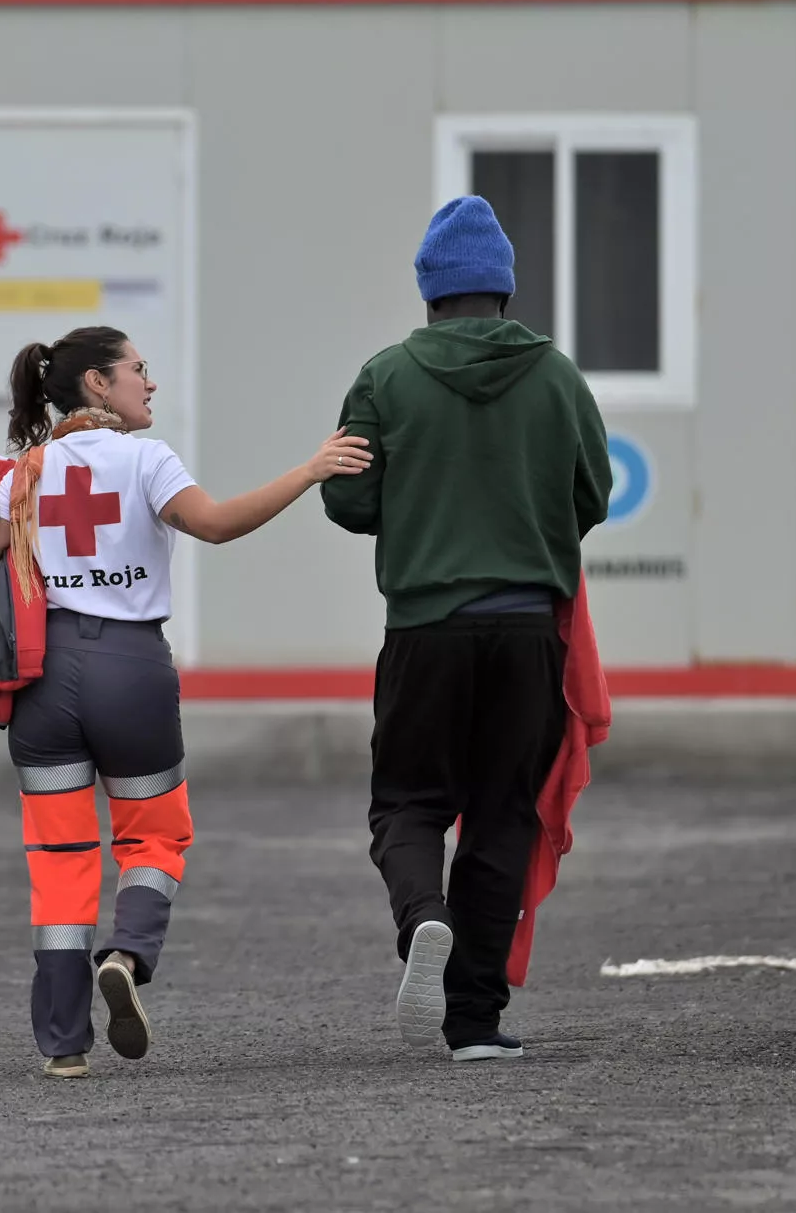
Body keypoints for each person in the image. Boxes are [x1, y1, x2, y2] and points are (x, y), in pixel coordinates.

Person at [0, 325, 372, 1078]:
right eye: (138, 371)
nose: (150, 384)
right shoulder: (147, 458)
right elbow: (214, 525)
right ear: (96, 385)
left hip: (42, 681)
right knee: (156, 836)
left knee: (59, 862)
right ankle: (130, 952)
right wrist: (310, 470)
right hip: (130, 667)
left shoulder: (23, 471)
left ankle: (63, 1043)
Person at [320, 196, 611, 1063]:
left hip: (425, 629)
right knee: (501, 815)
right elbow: (589, 495)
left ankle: (424, 918)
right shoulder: (558, 376)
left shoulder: (385, 376)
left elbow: (346, 497)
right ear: (505, 291)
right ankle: (474, 1024)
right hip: (528, 634)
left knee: (407, 802)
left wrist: (418, 509)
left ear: (430, 291)